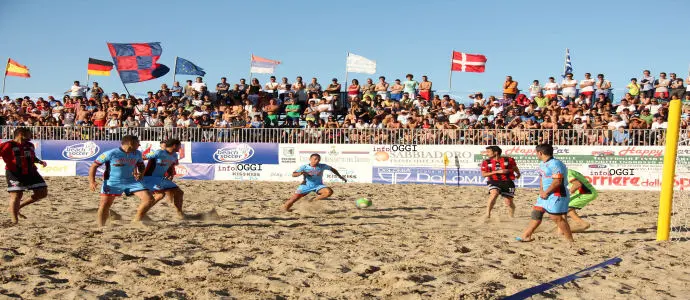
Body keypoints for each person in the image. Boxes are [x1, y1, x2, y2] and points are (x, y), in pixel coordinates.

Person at [88, 135, 155, 227]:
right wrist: (92, 181)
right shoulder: (111, 153)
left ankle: (137, 220)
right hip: (112, 182)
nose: (139, 145)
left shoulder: (137, 153)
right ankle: (101, 227)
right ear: (130, 143)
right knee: (104, 205)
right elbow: (94, 166)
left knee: (149, 199)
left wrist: (141, 173)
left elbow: (141, 165)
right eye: (137, 143)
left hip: (131, 181)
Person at [517, 144, 574, 243]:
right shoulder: (542, 163)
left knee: (557, 218)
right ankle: (526, 235)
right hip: (545, 194)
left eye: (536, 153)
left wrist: (546, 192)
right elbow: (542, 178)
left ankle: (570, 240)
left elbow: (557, 181)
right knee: (536, 213)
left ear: (540, 153)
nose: (536, 155)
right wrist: (541, 191)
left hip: (557, 194)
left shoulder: (556, 164)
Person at [0, 128, 48, 224]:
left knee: (42, 193)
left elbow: (32, 157)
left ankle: (18, 207)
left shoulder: (30, 145)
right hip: (14, 172)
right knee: (16, 195)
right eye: (29, 134)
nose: (31, 136)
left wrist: (39, 161)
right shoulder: (7, 145)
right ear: (21, 134)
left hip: (31, 171)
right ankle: (14, 221)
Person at [282, 153, 347, 212]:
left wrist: (340, 177)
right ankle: (285, 210)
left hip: (318, 185)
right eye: (315, 159)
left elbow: (332, 169)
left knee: (329, 192)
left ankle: (312, 201)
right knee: (292, 200)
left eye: (319, 159)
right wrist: (300, 173)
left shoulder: (322, 166)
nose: (317, 161)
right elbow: (293, 174)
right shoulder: (304, 167)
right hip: (305, 186)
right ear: (310, 159)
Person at [142, 139, 184, 219]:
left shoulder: (174, 155)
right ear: (174, 145)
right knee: (160, 195)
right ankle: (142, 212)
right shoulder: (158, 152)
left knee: (179, 193)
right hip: (150, 178)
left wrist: (171, 173)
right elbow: (142, 157)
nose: (180, 147)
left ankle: (180, 214)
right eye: (179, 145)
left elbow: (170, 165)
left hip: (161, 178)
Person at [480, 146, 520, 219]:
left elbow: (514, 167)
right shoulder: (486, 162)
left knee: (508, 202)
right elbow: (483, 174)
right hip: (493, 181)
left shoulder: (509, 160)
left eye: (489, 152)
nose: (487, 153)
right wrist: (497, 171)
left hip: (507, 182)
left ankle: (511, 216)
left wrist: (518, 173)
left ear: (496, 152)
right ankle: (487, 214)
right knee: (494, 194)